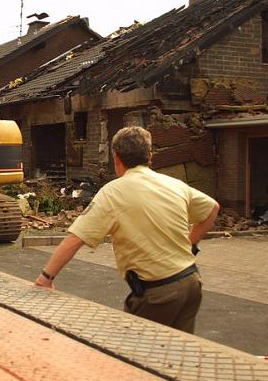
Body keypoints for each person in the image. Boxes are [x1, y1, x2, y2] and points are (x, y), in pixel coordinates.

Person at [33, 126, 219, 333]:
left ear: (116, 158)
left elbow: (75, 239)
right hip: (191, 283)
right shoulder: (174, 184)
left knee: (130, 354)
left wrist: (45, 279)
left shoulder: (113, 192)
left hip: (158, 294)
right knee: (178, 355)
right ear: (150, 156)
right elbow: (212, 210)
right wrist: (190, 244)